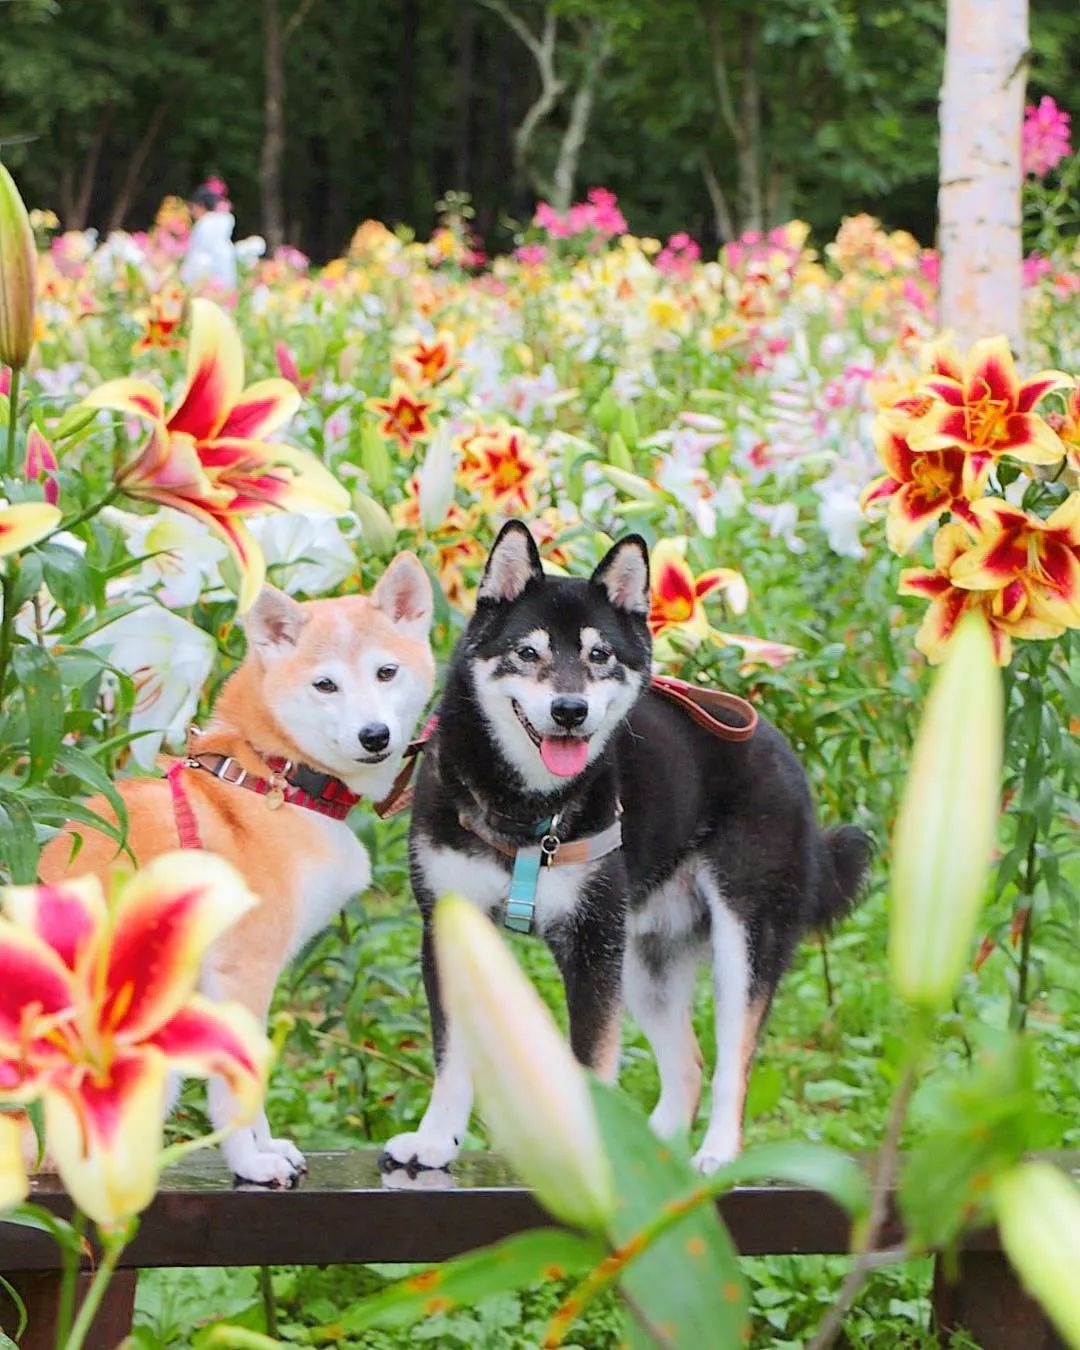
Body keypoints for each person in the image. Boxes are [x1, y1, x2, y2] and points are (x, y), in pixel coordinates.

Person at [180, 184, 237, 291]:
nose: (191, 213)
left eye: (192, 207)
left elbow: (197, 255)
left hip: (205, 279)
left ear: (201, 206)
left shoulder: (204, 224)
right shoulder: (224, 224)